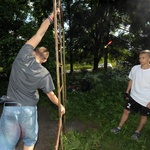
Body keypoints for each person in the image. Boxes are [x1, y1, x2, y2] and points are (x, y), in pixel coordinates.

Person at [0, 8, 65, 150]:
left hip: (10, 106)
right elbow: (51, 95)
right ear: (45, 60)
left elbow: (40, 33)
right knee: (29, 142)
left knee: (5, 144)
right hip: (28, 110)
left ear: (33, 51)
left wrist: (52, 16)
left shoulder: (23, 54)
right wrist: (60, 105)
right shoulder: (44, 74)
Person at [111, 50, 150, 140]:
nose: (141, 60)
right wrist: (127, 91)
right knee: (126, 111)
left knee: (143, 116)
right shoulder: (135, 68)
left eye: (143, 58)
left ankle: (137, 132)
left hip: (146, 100)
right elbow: (131, 80)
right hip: (134, 96)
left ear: (149, 59)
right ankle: (119, 127)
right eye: (140, 58)